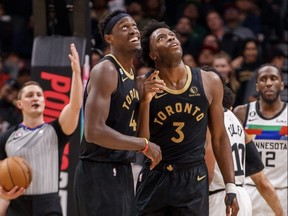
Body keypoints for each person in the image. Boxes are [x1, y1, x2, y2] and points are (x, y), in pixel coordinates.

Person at [135, 20, 239, 216]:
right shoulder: (142, 85)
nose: (171, 38)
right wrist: (145, 102)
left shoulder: (209, 81)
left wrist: (230, 186)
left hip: (192, 177)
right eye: (162, 38)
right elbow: (142, 143)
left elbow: (219, 137)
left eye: (172, 35)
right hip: (155, 175)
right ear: (153, 54)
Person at [73, 10, 162, 216]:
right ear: (108, 38)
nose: (133, 30)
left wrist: (146, 101)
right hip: (98, 171)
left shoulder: (132, 76)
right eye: (124, 27)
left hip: (121, 169)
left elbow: (141, 137)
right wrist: (143, 145)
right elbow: (93, 132)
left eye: (133, 26)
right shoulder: (106, 70)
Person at [0, 43, 82, 215]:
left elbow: (74, 106)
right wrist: (4, 197)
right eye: (29, 95)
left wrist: (76, 72)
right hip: (16, 205)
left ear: (44, 103)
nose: (35, 98)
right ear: (20, 104)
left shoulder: (55, 130)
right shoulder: (6, 137)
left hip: (48, 204)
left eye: (39, 95)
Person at [205, 76, 285, 216]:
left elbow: (209, 173)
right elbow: (261, 179)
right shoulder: (236, 121)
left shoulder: (210, 121)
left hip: (220, 197)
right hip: (243, 197)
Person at [233, 64, 287, 216]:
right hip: (250, 190)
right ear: (257, 86)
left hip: (283, 192)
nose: (268, 83)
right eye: (263, 79)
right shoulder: (242, 112)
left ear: (281, 85)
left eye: (273, 78)